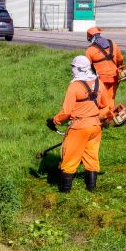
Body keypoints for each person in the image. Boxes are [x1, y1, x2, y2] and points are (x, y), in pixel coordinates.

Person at [46, 55, 111, 193]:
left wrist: (54, 121)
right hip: (95, 127)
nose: (72, 70)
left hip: (79, 127)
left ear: (79, 69)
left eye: (73, 67)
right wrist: (99, 118)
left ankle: (65, 193)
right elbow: (106, 106)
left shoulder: (74, 86)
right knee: (91, 157)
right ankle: (91, 189)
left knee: (69, 158)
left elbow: (66, 111)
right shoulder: (98, 83)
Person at [85, 26, 124, 106]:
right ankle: (111, 115)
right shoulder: (112, 43)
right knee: (111, 98)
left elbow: (86, 67)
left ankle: (103, 116)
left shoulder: (90, 50)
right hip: (115, 77)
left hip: (101, 79)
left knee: (102, 100)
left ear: (91, 37)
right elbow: (120, 59)